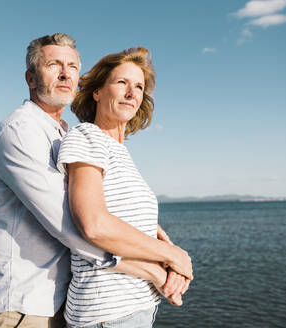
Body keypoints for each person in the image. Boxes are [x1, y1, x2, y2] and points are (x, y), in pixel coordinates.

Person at [0, 34, 192, 328]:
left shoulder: (64, 132)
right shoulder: (21, 130)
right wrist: (161, 266)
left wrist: (158, 242)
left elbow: (104, 207)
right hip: (26, 304)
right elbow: (76, 226)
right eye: (54, 64)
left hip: (60, 298)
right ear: (30, 78)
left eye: (72, 66)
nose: (66, 74)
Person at [56, 47, 191, 327]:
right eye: (122, 83)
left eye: (139, 86)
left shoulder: (118, 150)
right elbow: (94, 225)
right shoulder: (87, 137)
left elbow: (132, 223)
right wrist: (174, 255)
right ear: (97, 92)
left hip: (137, 307)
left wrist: (171, 263)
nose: (132, 93)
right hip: (107, 315)